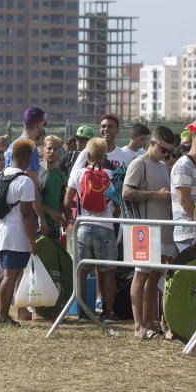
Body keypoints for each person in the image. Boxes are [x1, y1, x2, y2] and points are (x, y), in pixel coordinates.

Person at [123, 125, 175, 339]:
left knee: (155, 276)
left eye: (170, 151)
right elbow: (127, 192)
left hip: (162, 228)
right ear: (152, 143)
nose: (167, 155)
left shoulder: (162, 166)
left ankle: (151, 322)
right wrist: (155, 194)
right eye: (164, 150)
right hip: (144, 228)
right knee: (141, 275)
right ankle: (138, 325)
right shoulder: (139, 163)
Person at [65, 137, 119, 321]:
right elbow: (118, 207)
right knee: (108, 271)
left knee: (82, 270)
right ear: (104, 156)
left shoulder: (78, 174)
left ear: (87, 155)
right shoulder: (111, 176)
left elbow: (66, 201)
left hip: (83, 226)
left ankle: (83, 312)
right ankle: (109, 312)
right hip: (105, 227)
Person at [0, 138, 38, 326]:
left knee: (6, 274)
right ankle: (2, 316)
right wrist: (32, 240)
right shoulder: (25, 181)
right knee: (11, 275)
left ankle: (0, 314)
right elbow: (26, 214)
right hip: (16, 234)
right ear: (27, 158)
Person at [40, 135, 68, 240]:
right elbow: (33, 201)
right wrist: (51, 212)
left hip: (55, 227)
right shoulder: (35, 173)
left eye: (55, 149)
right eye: (49, 148)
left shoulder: (60, 175)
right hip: (39, 226)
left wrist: (66, 216)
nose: (52, 151)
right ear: (43, 149)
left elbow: (62, 199)